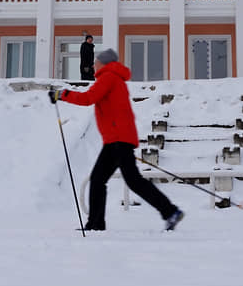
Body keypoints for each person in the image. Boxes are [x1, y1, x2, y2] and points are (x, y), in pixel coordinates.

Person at [49, 48, 184, 231]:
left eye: (96, 61)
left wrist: (61, 95)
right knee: (101, 180)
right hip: (116, 139)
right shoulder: (114, 78)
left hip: (118, 139)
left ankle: (170, 212)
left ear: (103, 63)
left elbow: (88, 98)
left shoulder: (108, 77)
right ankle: (97, 224)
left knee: (128, 181)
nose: (93, 64)